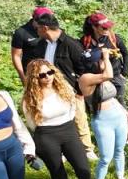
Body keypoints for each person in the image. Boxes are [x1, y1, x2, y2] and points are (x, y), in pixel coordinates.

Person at [22, 60, 99, 179]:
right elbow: (31, 123)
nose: (48, 77)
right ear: (35, 78)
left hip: (68, 130)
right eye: (42, 75)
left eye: (50, 72)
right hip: (46, 135)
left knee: (83, 169)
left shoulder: (64, 87)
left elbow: (72, 109)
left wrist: (68, 125)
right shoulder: (30, 98)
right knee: (58, 174)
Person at [33, 14, 97, 159]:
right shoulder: (42, 44)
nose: (36, 32)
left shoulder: (70, 44)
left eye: (38, 29)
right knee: (58, 118)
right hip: (49, 87)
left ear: (45, 28)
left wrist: (81, 90)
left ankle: (87, 149)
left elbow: (84, 68)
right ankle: (62, 149)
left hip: (71, 88)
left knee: (79, 117)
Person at [79, 48, 128, 179]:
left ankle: (121, 177)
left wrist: (124, 111)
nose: (104, 61)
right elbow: (109, 74)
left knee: (120, 150)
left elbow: (112, 97)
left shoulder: (101, 76)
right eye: (100, 59)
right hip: (103, 120)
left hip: (117, 115)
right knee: (106, 157)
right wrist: (106, 57)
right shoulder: (85, 78)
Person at [81, 12, 128, 103]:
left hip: (115, 76)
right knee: (98, 105)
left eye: (109, 27)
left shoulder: (113, 38)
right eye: (104, 28)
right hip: (97, 78)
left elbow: (125, 53)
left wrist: (125, 71)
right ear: (94, 27)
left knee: (120, 103)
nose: (107, 30)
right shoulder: (85, 41)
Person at [11, 6, 52, 82]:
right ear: (34, 18)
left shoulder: (50, 28)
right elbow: (16, 56)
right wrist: (23, 77)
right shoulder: (21, 33)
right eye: (41, 21)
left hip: (50, 70)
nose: (44, 24)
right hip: (32, 72)